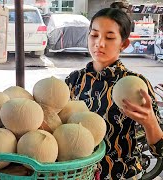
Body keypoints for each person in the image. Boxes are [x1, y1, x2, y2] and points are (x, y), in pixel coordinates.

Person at [65, 8, 163, 179]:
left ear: (124, 44)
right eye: (94, 35)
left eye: (109, 37)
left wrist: (150, 123)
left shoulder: (136, 85)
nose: (99, 43)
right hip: (79, 174)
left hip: (123, 175)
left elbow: (160, 151)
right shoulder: (74, 81)